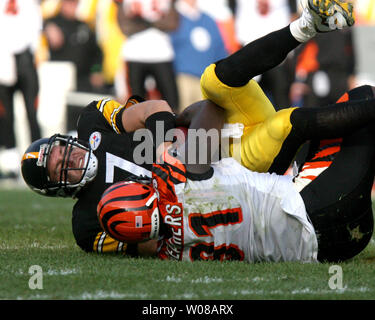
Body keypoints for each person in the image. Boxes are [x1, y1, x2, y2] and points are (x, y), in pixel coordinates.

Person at [21, 0, 358, 256]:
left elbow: (156, 109)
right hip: (209, 185)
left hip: (211, 145)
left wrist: (165, 146)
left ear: (63, 140)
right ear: (59, 190)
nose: (69, 159)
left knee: (214, 80)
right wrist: (170, 188)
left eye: (62, 151)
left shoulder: (91, 122)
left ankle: (305, 26)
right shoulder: (86, 224)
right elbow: (151, 244)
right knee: (288, 122)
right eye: (59, 169)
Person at [98, 84, 375, 263]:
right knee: (361, 98)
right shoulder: (173, 179)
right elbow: (213, 108)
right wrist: (175, 127)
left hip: (334, 249)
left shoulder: (173, 256)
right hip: (316, 205)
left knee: (324, 134)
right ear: (142, 192)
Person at [0, 0, 42, 178]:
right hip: (3, 57)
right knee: (5, 115)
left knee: (32, 113)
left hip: (25, 58)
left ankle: (39, 159)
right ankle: (10, 163)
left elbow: (36, 27)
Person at [43, 0, 107, 93]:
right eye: (69, 2)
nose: (72, 6)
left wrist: (96, 70)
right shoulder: (51, 23)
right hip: (58, 81)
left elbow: (97, 53)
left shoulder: (84, 27)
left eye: (74, 3)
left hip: (83, 81)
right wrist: (46, 27)